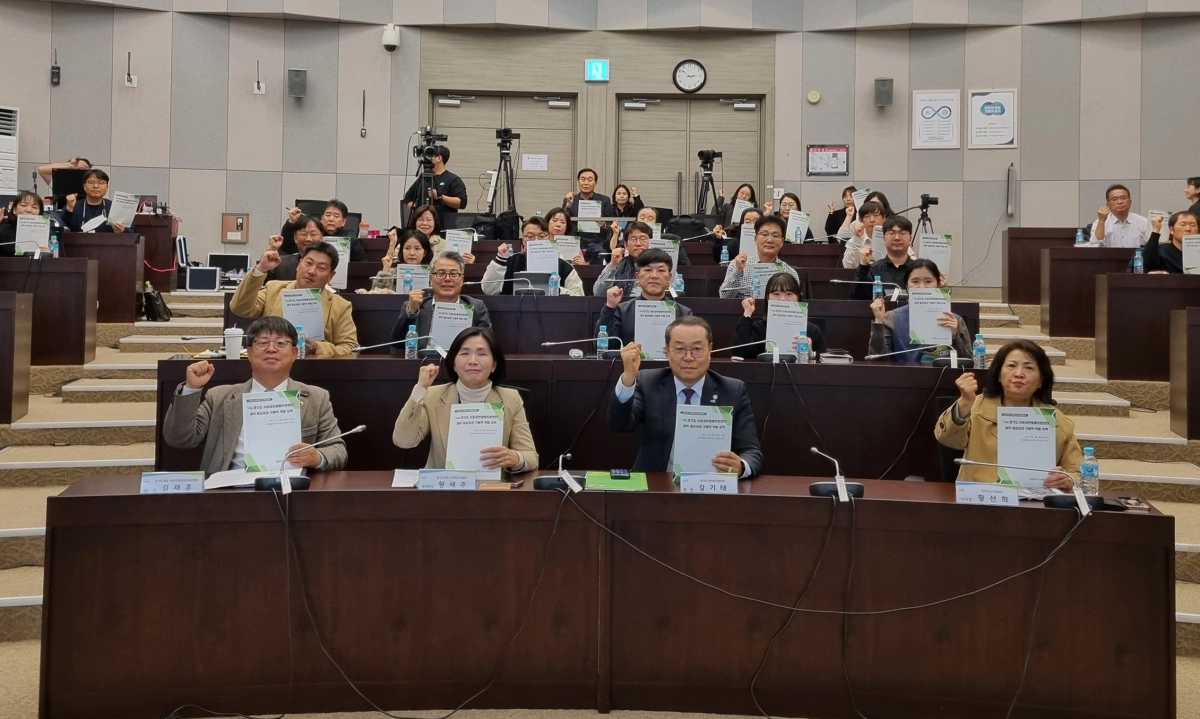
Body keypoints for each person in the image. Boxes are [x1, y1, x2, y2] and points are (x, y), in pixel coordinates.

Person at [162, 316, 348, 475]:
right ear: (249, 353)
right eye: (262, 342)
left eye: (281, 343)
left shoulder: (316, 398)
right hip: (228, 491)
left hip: (291, 492)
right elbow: (179, 438)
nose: (271, 349)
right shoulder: (219, 397)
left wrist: (317, 457)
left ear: (293, 353)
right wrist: (191, 389)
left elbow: (338, 450)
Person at [608, 316, 763, 477]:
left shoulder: (732, 390)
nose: (688, 357)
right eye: (680, 349)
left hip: (710, 484)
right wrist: (628, 377)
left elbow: (752, 451)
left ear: (709, 349)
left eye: (697, 349)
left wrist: (741, 467)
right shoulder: (648, 383)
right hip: (656, 483)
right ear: (667, 350)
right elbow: (619, 424)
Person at [935, 339, 1080, 489]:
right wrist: (965, 403)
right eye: (1011, 366)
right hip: (981, 496)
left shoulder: (1057, 421)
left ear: (1041, 380)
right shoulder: (976, 407)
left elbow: (1076, 472)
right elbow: (947, 439)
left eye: (1029, 368)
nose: (1019, 374)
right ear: (998, 374)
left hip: (1034, 499)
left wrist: (1068, 480)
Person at [393, 327, 538, 474]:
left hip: (491, 486)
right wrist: (420, 389)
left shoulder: (511, 399)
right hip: (443, 486)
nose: (473, 361)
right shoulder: (433, 395)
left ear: (494, 364)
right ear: (454, 364)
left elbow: (531, 457)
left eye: (482, 354)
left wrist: (515, 458)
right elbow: (403, 440)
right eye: (464, 353)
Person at [230, 241, 359, 356]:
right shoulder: (273, 289)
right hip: (272, 362)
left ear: (330, 276)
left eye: (321, 268)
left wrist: (317, 348)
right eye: (308, 263)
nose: (312, 271)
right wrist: (261, 269)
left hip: (315, 369)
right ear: (298, 264)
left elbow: (351, 349)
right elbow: (240, 308)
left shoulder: (340, 306)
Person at [868, 259, 970, 362]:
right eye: (915, 281)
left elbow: (969, 363)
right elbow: (878, 361)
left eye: (928, 281)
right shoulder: (892, 317)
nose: (922, 287)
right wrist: (879, 322)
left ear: (938, 284)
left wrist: (954, 337)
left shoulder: (954, 320)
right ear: (907, 286)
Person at [390, 251, 491, 352]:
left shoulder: (476, 307)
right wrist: (411, 312)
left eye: (453, 274)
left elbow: (487, 345)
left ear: (461, 280)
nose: (447, 279)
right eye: (441, 273)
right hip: (423, 360)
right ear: (431, 279)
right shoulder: (415, 306)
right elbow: (397, 344)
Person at [596, 249, 693, 348]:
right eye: (647, 270)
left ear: (669, 278)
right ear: (637, 277)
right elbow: (605, 346)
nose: (654, 276)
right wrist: (609, 307)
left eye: (661, 270)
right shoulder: (623, 311)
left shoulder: (683, 313)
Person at [734, 272, 827, 360]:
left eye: (789, 294)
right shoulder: (757, 329)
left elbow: (824, 363)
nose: (782, 299)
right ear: (767, 297)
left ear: (798, 297)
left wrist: (812, 354)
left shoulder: (812, 331)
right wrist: (747, 313)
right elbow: (740, 353)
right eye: (776, 294)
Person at [483, 216, 584, 296]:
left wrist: (557, 290)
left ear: (548, 238)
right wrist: (500, 260)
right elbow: (488, 290)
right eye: (530, 236)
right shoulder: (511, 261)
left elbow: (579, 295)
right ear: (523, 240)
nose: (536, 241)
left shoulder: (563, 266)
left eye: (541, 236)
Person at [719, 215, 813, 300]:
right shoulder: (738, 265)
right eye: (764, 234)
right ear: (755, 239)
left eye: (775, 235)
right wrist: (738, 271)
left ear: (782, 242)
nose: (770, 240)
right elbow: (724, 297)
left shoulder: (790, 273)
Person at [851, 215, 916, 301]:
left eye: (902, 233)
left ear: (910, 239)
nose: (897, 238)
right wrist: (863, 265)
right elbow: (857, 299)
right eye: (891, 233)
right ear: (884, 239)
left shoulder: (918, 269)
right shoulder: (873, 269)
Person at [403, 146, 468, 231]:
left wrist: (440, 197)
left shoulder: (453, 179)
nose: (428, 158)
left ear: (439, 158)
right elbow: (408, 197)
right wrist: (416, 209)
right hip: (422, 229)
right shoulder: (423, 178)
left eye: (431, 156)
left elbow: (462, 203)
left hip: (444, 228)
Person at [278, 199, 366, 261]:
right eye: (328, 215)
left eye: (336, 216)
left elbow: (360, 268)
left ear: (343, 221)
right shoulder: (312, 237)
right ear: (322, 218)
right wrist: (292, 221)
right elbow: (287, 247)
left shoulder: (352, 243)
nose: (331, 219)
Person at [595, 222, 665, 298]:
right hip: (623, 304)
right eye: (633, 239)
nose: (638, 244)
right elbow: (598, 293)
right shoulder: (618, 265)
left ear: (651, 242)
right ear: (626, 245)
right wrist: (613, 265)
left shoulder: (661, 266)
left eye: (643, 239)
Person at [563, 168, 614, 263]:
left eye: (590, 180)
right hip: (575, 238)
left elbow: (610, 223)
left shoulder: (604, 200)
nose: (586, 183)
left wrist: (604, 225)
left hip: (596, 240)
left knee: (599, 252)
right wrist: (568, 205)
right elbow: (562, 218)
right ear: (578, 182)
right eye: (583, 179)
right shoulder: (570, 199)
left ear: (595, 183)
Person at [63, 169, 134, 233]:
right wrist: (69, 209)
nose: (96, 186)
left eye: (101, 183)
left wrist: (123, 230)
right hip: (78, 243)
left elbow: (132, 231)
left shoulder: (115, 207)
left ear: (107, 187)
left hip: (109, 243)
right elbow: (62, 228)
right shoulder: (74, 206)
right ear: (84, 187)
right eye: (91, 182)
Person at [1133, 211, 1198, 274]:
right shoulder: (1161, 251)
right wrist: (1156, 230)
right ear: (1171, 230)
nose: (1188, 229)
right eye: (1183, 225)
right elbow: (1148, 264)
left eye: (1192, 225)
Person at [264, 214, 324, 283]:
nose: (308, 239)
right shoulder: (280, 263)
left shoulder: (328, 265)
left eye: (313, 234)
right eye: (303, 234)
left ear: (321, 237)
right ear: (295, 237)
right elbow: (261, 283)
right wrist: (271, 249)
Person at [840, 201, 892, 270]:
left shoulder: (893, 238)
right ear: (860, 220)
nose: (872, 220)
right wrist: (857, 239)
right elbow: (848, 266)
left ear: (884, 218)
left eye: (876, 216)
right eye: (867, 216)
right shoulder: (855, 240)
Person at [0, 191, 45, 257]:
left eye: (34, 207)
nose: (28, 210)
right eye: (24, 205)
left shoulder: (48, 233)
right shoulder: (2, 231)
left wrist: (48, 253)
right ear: (14, 210)